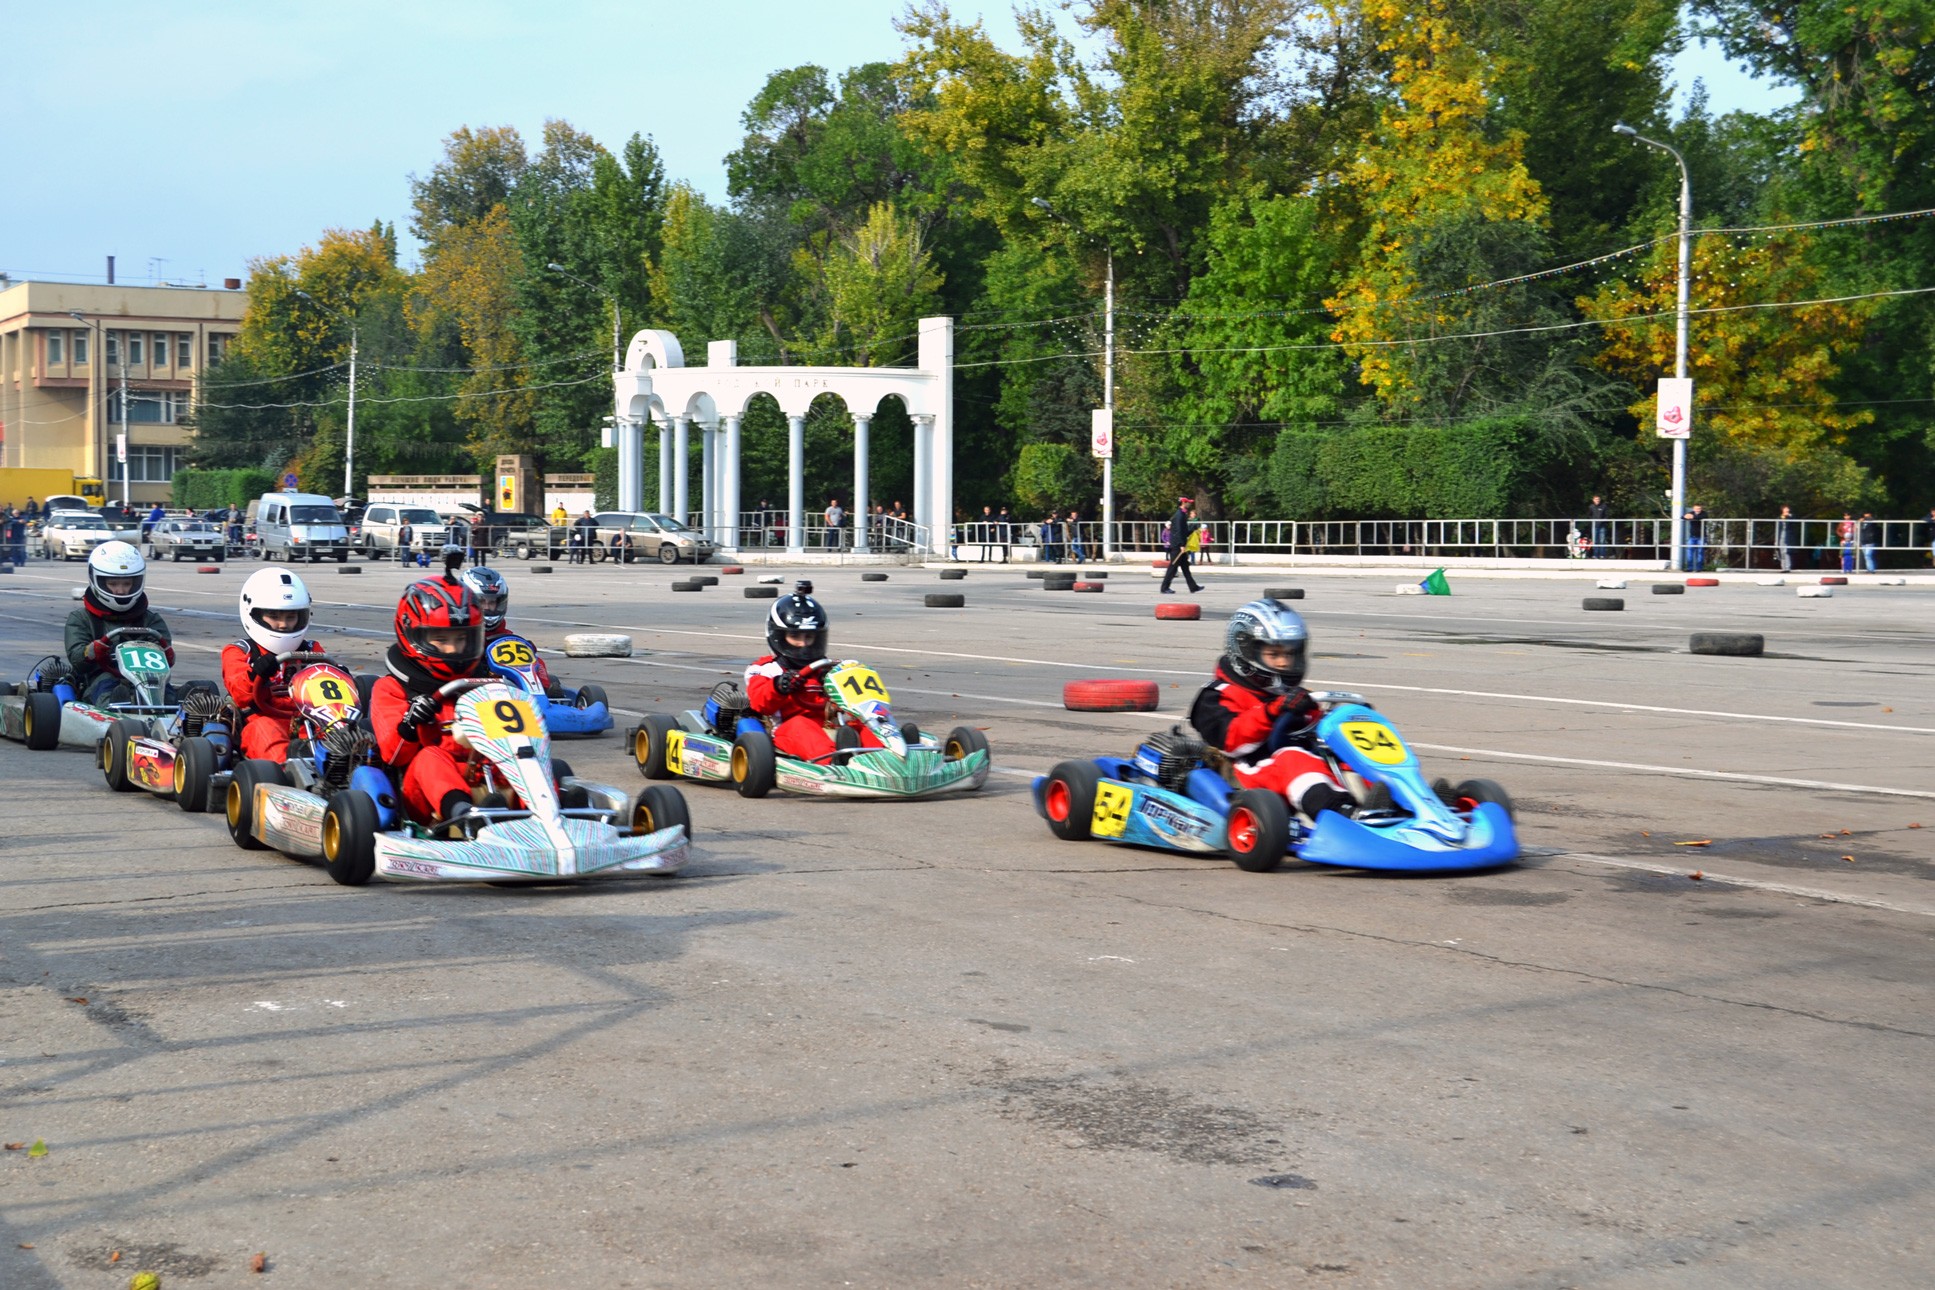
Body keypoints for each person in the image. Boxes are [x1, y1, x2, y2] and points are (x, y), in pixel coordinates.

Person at [1189, 599, 1356, 826]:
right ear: (1247, 653)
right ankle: (1338, 813)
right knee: (1293, 759)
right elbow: (1231, 740)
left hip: (1301, 770)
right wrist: (1271, 712)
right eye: (1274, 654)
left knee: (1348, 755)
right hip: (1246, 773)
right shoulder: (1216, 695)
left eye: (1289, 654)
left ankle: (1391, 802)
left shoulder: (1291, 696)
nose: (1284, 663)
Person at [369, 576, 492, 826]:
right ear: (413, 636)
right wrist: (411, 722)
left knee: (519, 756)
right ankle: (463, 815)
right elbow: (393, 756)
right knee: (430, 757)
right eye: (442, 640)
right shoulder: (393, 689)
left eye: (461, 639)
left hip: (482, 776)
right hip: (423, 795)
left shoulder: (484, 685)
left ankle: (555, 807)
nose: (453, 650)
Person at [745, 581, 884, 762]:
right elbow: (759, 703)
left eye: (809, 637)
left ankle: (889, 756)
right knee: (801, 726)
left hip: (832, 728)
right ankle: (834, 761)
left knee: (864, 725)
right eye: (795, 636)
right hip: (789, 732)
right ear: (778, 636)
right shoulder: (766, 669)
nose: (803, 643)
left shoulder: (829, 668)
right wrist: (779, 686)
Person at [221, 569, 322, 762]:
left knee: (339, 730)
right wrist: (256, 673)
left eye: (290, 617)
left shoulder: (311, 650)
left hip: (307, 720)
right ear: (254, 614)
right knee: (265, 731)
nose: (283, 624)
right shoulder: (240, 651)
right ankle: (289, 771)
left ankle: (342, 768)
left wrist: (342, 677)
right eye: (274, 617)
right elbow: (240, 693)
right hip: (260, 718)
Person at [64, 542, 173, 704]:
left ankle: (176, 711)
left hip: (148, 679)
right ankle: (116, 707)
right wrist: (91, 651)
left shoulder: (151, 619)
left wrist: (164, 652)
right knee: (107, 687)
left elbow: (164, 655)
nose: (121, 591)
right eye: (113, 584)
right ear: (97, 581)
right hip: (99, 679)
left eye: (127, 584)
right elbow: (77, 661)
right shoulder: (81, 619)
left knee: (168, 693)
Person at [1160, 497, 1202, 594]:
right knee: (1173, 567)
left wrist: (1192, 530)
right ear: (1183, 503)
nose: (1189, 504)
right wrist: (1181, 545)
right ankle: (1164, 588)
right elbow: (1178, 532)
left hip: (1180, 544)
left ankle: (1193, 587)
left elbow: (1183, 531)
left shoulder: (1182, 514)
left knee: (1185, 567)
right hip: (1177, 545)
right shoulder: (1179, 515)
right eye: (1187, 502)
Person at [1682, 504, 1706, 572]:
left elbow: (1702, 517)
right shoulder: (1691, 513)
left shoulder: (1704, 513)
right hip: (1692, 536)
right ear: (1693, 509)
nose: (1697, 510)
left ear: (1701, 509)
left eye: (1699, 508)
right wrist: (1685, 516)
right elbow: (1682, 517)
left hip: (1702, 536)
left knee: (1700, 552)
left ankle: (1699, 568)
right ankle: (1689, 568)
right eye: (1696, 508)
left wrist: (1692, 517)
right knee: (1689, 552)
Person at [1775, 505, 1798, 572]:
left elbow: (1794, 522)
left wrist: (1788, 516)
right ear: (1782, 510)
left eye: (1788, 508)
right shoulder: (1779, 517)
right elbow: (1777, 528)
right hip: (1780, 536)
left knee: (1786, 551)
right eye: (1786, 508)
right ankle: (1783, 567)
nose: (1787, 509)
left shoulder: (1791, 516)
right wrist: (1776, 540)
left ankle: (1787, 567)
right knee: (1782, 552)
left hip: (1788, 536)